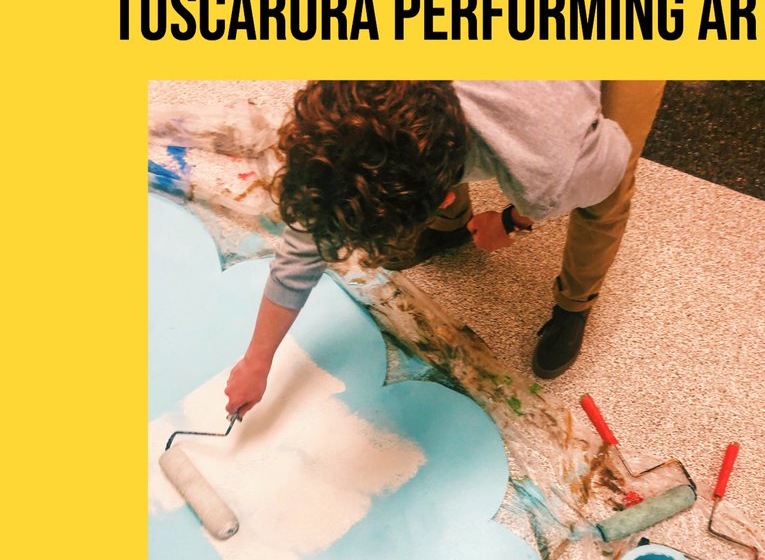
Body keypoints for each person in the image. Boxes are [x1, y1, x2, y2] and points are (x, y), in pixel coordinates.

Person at [225, 80, 664, 414]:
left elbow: (606, 161)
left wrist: (513, 220)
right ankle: (453, 228)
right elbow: (317, 216)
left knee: (602, 197)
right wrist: (257, 360)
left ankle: (575, 302)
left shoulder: (548, 162)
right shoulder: (349, 101)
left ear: (444, 196)